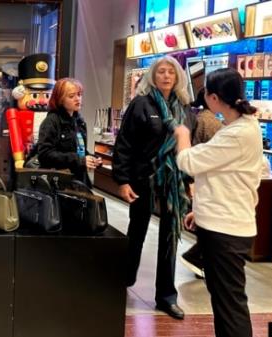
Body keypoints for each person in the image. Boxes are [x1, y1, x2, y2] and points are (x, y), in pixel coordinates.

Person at [175, 68, 262, 337]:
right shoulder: (243, 126)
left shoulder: (236, 134)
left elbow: (188, 161)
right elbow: (222, 175)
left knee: (229, 303)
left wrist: (182, 135)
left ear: (212, 97)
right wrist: (200, 211)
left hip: (227, 230)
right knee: (225, 299)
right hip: (225, 223)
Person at [112, 56, 196, 320]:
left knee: (170, 237)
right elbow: (124, 144)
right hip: (142, 179)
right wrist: (122, 180)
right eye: (161, 71)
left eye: (171, 72)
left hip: (173, 184)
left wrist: (190, 182)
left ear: (179, 77)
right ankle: (122, 283)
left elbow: (188, 148)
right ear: (152, 76)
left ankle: (166, 297)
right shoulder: (141, 104)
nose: (166, 76)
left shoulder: (184, 108)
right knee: (136, 232)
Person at [180, 88, 223, 279]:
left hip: (196, 176)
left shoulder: (198, 117)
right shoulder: (212, 122)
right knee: (210, 224)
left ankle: (199, 259)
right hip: (204, 178)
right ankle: (197, 257)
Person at [37, 78, 101, 186]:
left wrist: (92, 158)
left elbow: (80, 151)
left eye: (79, 95)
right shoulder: (51, 122)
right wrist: (79, 160)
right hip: (59, 183)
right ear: (60, 99)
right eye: (71, 96)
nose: (78, 99)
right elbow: (44, 155)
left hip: (79, 181)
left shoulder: (80, 122)